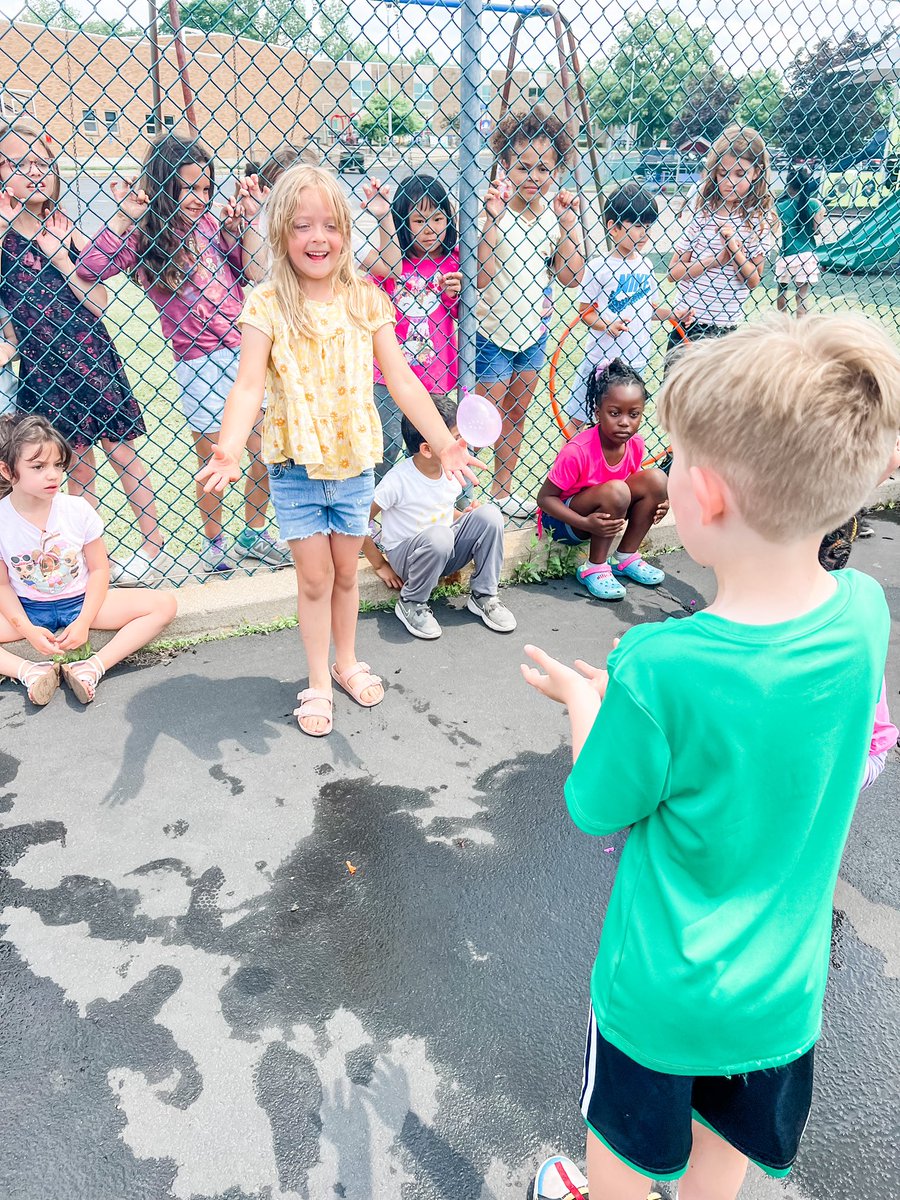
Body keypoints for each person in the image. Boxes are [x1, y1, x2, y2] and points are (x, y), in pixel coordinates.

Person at [521, 313, 900, 1200]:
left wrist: (589, 705)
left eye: (677, 459)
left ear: (713, 495)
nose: (666, 471)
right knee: (717, 1173)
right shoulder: (862, 613)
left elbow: (597, 804)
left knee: (621, 1170)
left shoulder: (660, 668)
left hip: (662, 996)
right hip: (781, 993)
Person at [196, 165, 480, 737]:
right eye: (302, 226)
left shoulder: (367, 300)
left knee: (347, 574)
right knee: (313, 579)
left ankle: (347, 661)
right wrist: (228, 449)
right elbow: (248, 384)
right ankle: (318, 680)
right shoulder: (266, 303)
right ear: (281, 232)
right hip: (294, 467)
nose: (317, 237)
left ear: (347, 233)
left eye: (329, 225)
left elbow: (401, 380)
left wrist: (447, 441)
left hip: (353, 466)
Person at [77, 133, 288, 574]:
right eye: (188, 188)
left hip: (245, 349)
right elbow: (90, 268)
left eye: (205, 188)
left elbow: (253, 271)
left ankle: (254, 531)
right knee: (214, 458)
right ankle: (215, 543)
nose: (199, 198)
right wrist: (122, 217)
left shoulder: (212, 226)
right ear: (162, 185)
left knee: (268, 449)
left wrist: (248, 223)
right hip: (199, 363)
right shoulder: (145, 238)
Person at [0, 118, 164, 585]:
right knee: (70, 464)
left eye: (41, 163)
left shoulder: (67, 229)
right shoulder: (5, 237)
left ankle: (153, 546)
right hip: (41, 367)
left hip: (88, 357)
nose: (33, 172)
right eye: (19, 163)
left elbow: (97, 301)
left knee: (122, 451)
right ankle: (81, 557)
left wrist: (59, 256)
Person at [0, 414, 176, 706]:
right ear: (7, 470)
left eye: (58, 465)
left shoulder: (77, 509)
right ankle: (30, 672)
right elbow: (3, 586)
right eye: (38, 467)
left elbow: (98, 569)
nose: (53, 475)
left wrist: (83, 622)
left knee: (163, 605)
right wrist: (27, 631)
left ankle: (91, 667)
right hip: (28, 608)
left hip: (82, 601)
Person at [476, 106, 585, 517]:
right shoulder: (495, 212)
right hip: (491, 335)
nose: (534, 177)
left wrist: (570, 222)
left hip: (532, 335)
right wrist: (492, 221)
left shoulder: (552, 218)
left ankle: (502, 496)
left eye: (543, 169)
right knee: (480, 422)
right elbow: (482, 278)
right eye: (523, 167)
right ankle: (464, 498)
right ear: (504, 164)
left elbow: (571, 277)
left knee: (516, 415)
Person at [362, 393, 515, 639]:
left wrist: (464, 518)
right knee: (440, 536)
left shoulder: (450, 471)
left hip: (443, 547)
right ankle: (412, 602)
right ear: (426, 449)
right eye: (455, 439)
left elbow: (440, 510)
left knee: (489, 515)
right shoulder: (397, 481)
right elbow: (358, 520)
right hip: (408, 559)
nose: (463, 445)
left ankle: (484, 596)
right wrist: (379, 564)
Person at [537, 360, 668, 601]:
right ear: (598, 413)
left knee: (657, 480)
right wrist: (585, 523)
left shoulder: (636, 444)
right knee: (617, 490)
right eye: (614, 413)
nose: (625, 422)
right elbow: (545, 500)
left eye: (634, 414)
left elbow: (636, 485)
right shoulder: (577, 450)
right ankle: (593, 567)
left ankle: (625, 558)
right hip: (567, 523)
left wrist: (658, 503)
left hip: (605, 516)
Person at [564, 182, 691, 428]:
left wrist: (673, 313)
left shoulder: (646, 265)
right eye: (636, 226)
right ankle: (567, 464)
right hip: (602, 360)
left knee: (621, 424)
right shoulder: (598, 267)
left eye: (648, 226)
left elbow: (649, 309)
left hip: (636, 360)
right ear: (613, 227)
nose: (644, 233)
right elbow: (585, 313)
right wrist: (607, 325)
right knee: (579, 417)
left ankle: (610, 466)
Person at [362, 174, 461, 484]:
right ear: (402, 223)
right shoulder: (389, 264)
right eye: (419, 220)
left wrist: (453, 293)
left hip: (435, 375)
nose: (430, 228)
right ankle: (380, 507)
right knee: (386, 445)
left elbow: (458, 314)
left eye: (438, 218)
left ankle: (427, 506)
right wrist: (382, 219)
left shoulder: (453, 262)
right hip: (388, 376)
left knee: (428, 446)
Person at [668, 125, 777, 352]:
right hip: (688, 321)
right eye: (723, 173)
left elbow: (753, 280)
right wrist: (715, 260)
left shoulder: (758, 220)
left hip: (726, 328)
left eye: (740, 174)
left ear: (756, 172)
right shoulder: (702, 212)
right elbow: (674, 272)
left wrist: (734, 252)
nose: (729, 182)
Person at [775, 166, 825, 318]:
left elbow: (775, 232)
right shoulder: (814, 204)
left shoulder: (779, 207)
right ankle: (800, 325)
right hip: (806, 255)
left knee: (781, 291)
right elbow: (817, 230)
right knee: (802, 295)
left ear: (788, 186)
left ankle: (782, 322)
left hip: (787, 253)